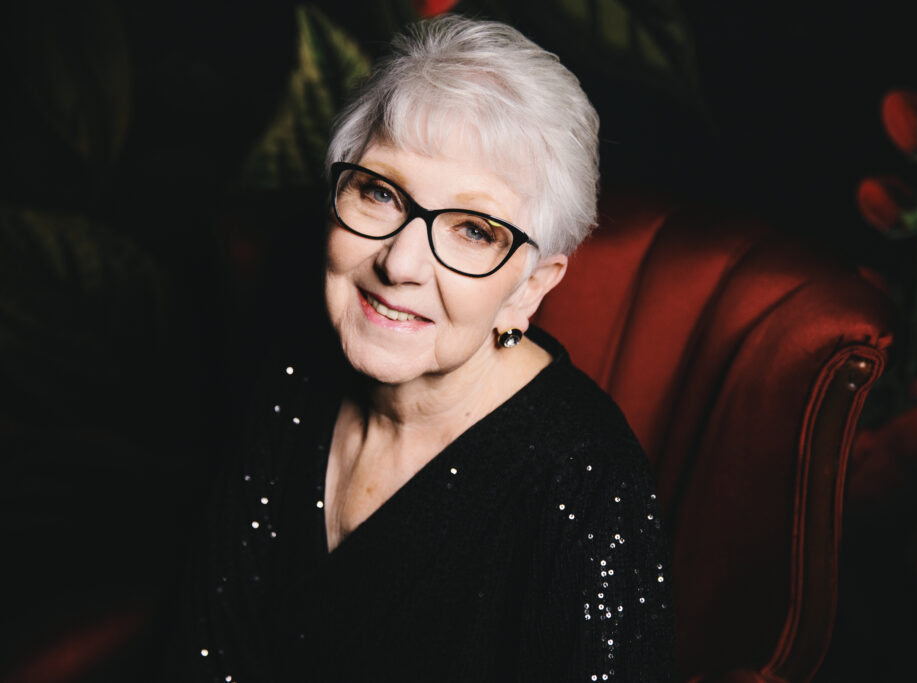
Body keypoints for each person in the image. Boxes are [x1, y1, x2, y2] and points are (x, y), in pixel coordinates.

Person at [163, 15, 675, 682]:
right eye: (380, 192)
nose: (401, 261)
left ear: (528, 288)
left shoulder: (583, 479)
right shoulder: (293, 367)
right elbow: (209, 649)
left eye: (472, 230)